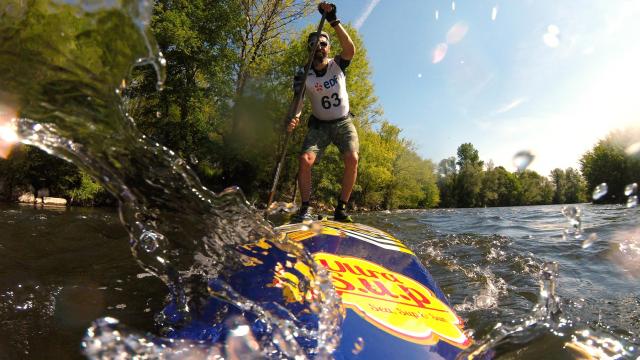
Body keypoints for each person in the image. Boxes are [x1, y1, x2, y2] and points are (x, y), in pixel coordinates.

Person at [287, 2, 358, 223]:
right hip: (319, 125)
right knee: (305, 160)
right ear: (309, 49)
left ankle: (341, 208)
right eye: (314, 44)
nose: (319, 47)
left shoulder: (338, 64)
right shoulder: (303, 74)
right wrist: (294, 117)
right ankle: (305, 208)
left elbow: (350, 49)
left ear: (328, 47)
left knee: (352, 158)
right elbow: (298, 102)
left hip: (343, 122)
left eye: (323, 43)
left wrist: (333, 20)